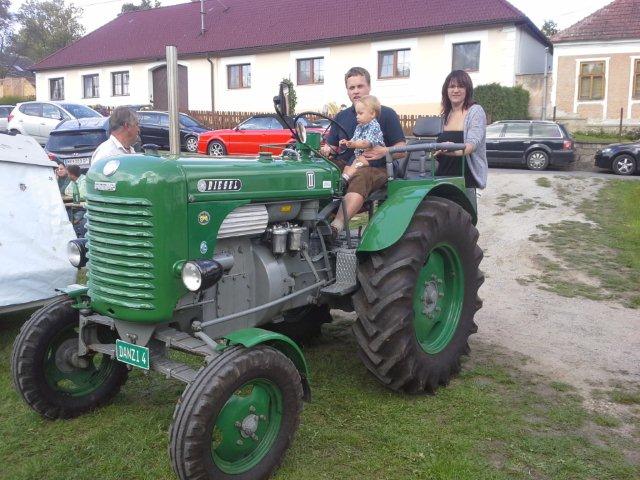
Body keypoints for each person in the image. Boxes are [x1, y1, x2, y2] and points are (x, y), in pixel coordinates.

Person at [320, 67, 406, 236]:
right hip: (348, 163)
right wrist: (327, 150)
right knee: (323, 171)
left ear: (369, 87)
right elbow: (333, 147)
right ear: (347, 91)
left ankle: (336, 228)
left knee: (360, 176)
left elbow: (402, 149)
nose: (356, 91)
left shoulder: (385, 114)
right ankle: (315, 222)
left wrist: (384, 151)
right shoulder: (342, 116)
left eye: (360, 86)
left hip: (379, 167)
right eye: (352, 88)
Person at [435, 70, 487, 189]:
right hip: (442, 178)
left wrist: (450, 148)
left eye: (461, 86)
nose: (456, 90)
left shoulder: (475, 111)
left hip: (466, 180)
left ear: (467, 90)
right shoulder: (446, 115)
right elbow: (438, 148)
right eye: (452, 86)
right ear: (446, 90)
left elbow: (471, 145)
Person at [338, 95, 385, 183]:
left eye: (360, 113)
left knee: (357, 163)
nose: (357, 116)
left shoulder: (374, 126)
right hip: (360, 155)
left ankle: (344, 180)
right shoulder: (359, 127)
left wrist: (353, 144)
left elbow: (366, 143)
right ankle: (344, 182)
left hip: (373, 157)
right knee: (348, 166)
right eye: (356, 114)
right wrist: (348, 142)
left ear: (372, 114)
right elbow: (354, 139)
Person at [64, 165, 88, 237]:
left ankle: (74, 223)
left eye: (68, 174)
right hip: (76, 205)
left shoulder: (84, 180)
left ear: (72, 174)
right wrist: (75, 193)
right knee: (66, 210)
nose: (67, 175)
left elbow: (82, 195)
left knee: (74, 216)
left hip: (85, 206)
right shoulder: (73, 181)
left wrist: (75, 194)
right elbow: (66, 191)